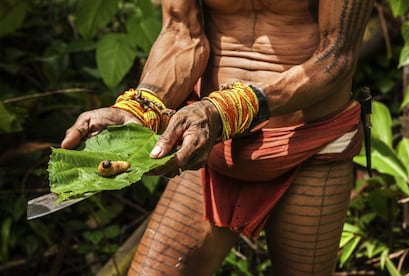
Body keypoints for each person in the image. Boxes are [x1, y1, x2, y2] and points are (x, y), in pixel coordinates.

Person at [61, 0, 374, 275]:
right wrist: (141, 106)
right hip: (208, 139)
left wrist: (225, 110)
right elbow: (181, 31)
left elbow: (336, 56)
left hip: (308, 145)